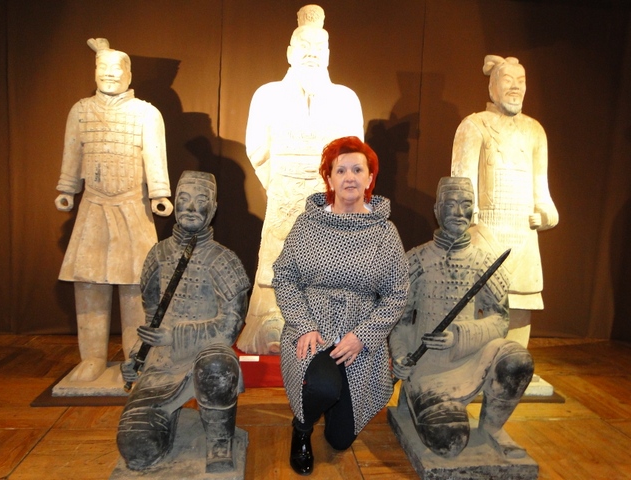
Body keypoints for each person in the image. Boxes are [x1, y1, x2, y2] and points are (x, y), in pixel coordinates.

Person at [272, 136, 409, 475]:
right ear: (329, 179)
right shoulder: (308, 225)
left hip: (358, 334)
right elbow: (284, 276)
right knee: (322, 386)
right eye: (341, 170)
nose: (350, 177)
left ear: (369, 178)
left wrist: (363, 336)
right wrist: (303, 325)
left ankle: (331, 399)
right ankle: (302, 427)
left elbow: (397, 294)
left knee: (340, 439)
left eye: (357, 170)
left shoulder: (385, 232)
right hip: (314, 328)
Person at [236, 4, 364, 355]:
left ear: (328, 54)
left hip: (327, 199)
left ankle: (327, 325)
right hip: (284, 193)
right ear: (290, 52)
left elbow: (355, 156)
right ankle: (271, 319)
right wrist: (280, 183)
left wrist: (332, 189)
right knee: (278, 256)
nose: (311, 54)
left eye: (319, 48)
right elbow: (257, 148)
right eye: (304, 47)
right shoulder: (267, 95)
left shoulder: (346, 99)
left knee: (329, 261)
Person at [389, 177, 534, 460]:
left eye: (466, 204)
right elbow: (400, 322)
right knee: (450, 441)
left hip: (474, 358)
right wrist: (401, 357)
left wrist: (459, 336)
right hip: (429, 370)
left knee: (517, 359)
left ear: (473, 211)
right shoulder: (416, 260)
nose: (458, 212)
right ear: (437, 209)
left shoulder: (484, 262)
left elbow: (500, 320)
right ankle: (421, 404)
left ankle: (492, 427)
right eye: (451, 204)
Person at [54, 38, 173, 382]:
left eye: (115, 69)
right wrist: (67, 188)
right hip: (93, 204)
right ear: (94, 72)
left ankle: (135, 357)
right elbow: (72, 152)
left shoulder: (146, 113)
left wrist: (159, 194)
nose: (108, 74)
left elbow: (154, 155)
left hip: (133, 205)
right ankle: (91, 358)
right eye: (102, 68)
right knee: (89, 282)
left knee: (135, 284)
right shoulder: (80, 111)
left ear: (128, 74)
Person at [117, 171, 250, 472]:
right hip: (163, 364)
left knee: (217, 366)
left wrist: (173, 335)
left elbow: (229, 326)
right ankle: (166, 416)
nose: (190, 207)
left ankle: (219, 441)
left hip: (206, 355)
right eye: (184, 199)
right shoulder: (158, 255)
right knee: (138, 448)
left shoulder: (224, 260)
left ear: (213, 208)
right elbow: (151, 318)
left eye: (200, 200)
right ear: (175, 203)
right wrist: (137, 355)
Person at [451, 55, 558, 348]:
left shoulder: (535, 131)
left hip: (523, 236)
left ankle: (513, 363)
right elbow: (461, 185)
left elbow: (542, 192)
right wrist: (468, 222)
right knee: (481, 304)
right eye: (508, 80)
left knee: (520, 305)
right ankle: (477, 362)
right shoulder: (474, 125)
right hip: (486, 234)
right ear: (492, 87)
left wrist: (546, 214)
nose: (515, 87)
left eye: (521, 81)